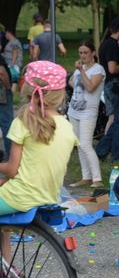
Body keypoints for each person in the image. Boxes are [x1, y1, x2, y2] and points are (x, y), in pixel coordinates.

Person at [0, 61, 78, 259]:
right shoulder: (66, 126)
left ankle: (8, 270)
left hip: (20, 197)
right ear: (60, 94)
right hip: (48, 195)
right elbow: (34, 169)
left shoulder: (22, 122)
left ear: (27, 89)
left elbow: (11, 170)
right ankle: (8, 272)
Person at [67, 40, 106, 188]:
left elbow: (90, 87)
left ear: (93, 53)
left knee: (86, 144)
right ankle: (86, 176)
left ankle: (97, 179)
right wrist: (79, 74)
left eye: (86, 52)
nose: (83, 55)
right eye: (80, 53)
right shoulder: (79, 68)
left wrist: (82, 71)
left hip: (88, 112)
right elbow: (72, 82)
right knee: (79, 144)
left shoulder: (98, 69)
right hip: (74, 110)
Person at [95, 17, 119, 162]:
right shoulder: (111, 45)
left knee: (117, 121)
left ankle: (102, 151)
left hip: (110, 85)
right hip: (115, 85)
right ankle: (115, 154)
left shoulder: (106, 43)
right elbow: (113, 68)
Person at [0, 53, 13, 160]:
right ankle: (10, 155)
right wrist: (8, 86)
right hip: (2, 93)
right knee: (7, 123)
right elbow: (1, 72)